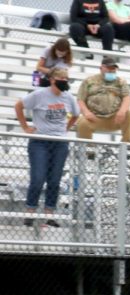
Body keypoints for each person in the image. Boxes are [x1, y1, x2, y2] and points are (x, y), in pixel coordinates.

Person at [14, 67, 79, 227]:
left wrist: (66, 129)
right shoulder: (39, 94)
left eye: (66, 78)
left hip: (60, 143)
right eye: (61, 78)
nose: (64, 81)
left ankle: (49, 215)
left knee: (54, 181)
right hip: (40, 142)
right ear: (52, 79)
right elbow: (18, 106)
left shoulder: (68, 97)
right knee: (38, 178)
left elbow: (76, 114)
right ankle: (30, 212)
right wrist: (25, 127)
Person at [75, 56, 130, 143]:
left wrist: (122, 111)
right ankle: (88, 151)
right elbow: (80, 99)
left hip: (115, 118)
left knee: (129, 114)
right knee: (82, 123)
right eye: (108, 68)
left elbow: (127, 97)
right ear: (101, 68)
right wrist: (86, 112)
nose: (111, 70)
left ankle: (127, 145)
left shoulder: (120, 82)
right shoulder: (89, 81)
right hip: (95, 118)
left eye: (113, 68)